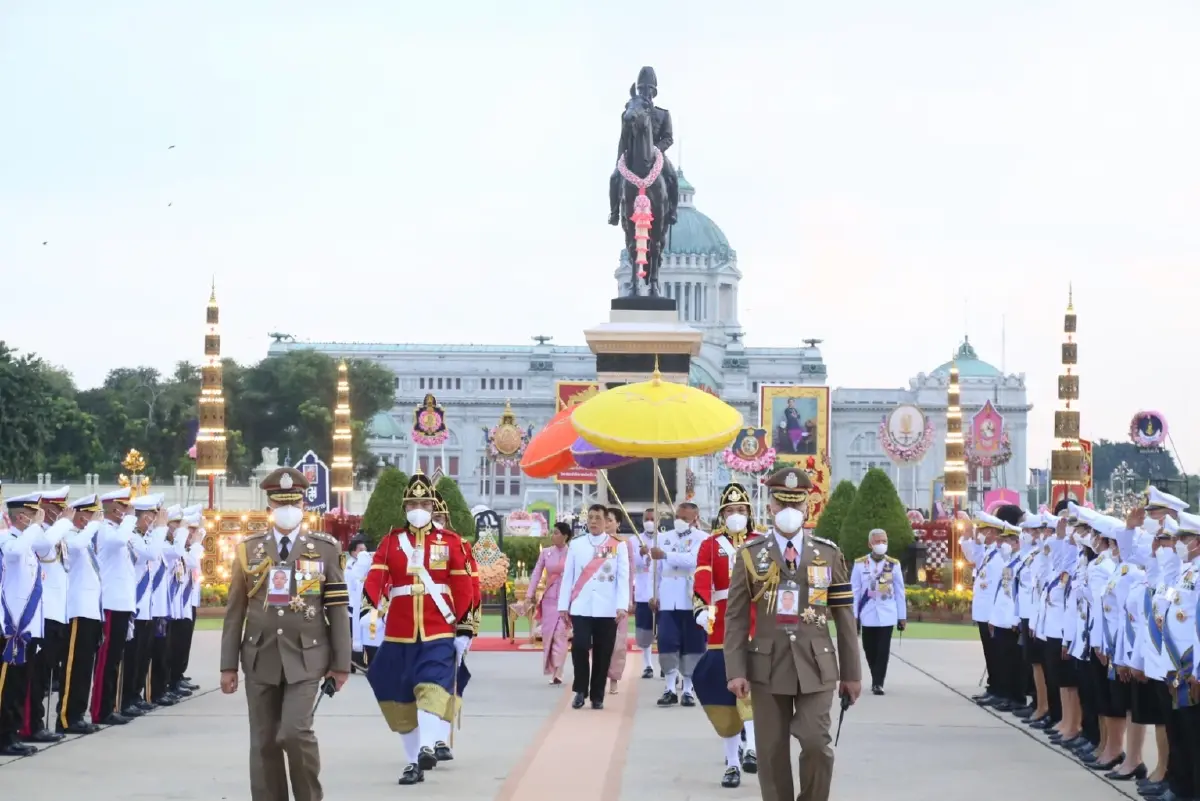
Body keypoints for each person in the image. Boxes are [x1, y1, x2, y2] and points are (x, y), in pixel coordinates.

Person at [724, 467, 860, 801]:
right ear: (769, 506)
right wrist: (736, 670)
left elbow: (844, 617)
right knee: (770, 752)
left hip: (817, 665)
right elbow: (736, 617)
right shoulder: (750, 555)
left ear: (807, 507)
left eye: (796, 504)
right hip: (767, 667)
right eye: (781, 503)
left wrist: (852, 674)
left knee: (816, 742)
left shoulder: (828, 554)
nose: (788, 511)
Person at [220, 466, 351, 801]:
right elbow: (235, 612)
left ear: (304, 507)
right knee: (263, 741)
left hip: (307, 657)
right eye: (280, 504)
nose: (287, 510)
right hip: (260, 655)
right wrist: (227, 665)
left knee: (294, 733)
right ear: (269, 509)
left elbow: (336, 608)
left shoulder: (324, 549)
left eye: (293, 503)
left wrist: (341, 663)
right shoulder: (248, 550)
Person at [362, 472, 473, 785]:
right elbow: (376, 577)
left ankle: (427, 745)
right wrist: (367, 609)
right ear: (405, 506)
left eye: (424, 502)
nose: (418, 507)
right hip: (398, 630)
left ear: (433, 504)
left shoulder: (451, 543)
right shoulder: (391, 542)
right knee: (396, 691)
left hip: (438, 629)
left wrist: (464, 627)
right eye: (413, 503)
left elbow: (464, 586)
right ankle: (413, 762)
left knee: (431, 684)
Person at [691, 482, 762, 788]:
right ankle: (732, 762)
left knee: (758, 691)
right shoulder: (710, 544)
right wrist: (700, 608)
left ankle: (753, 749)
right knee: (724, 694)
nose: (736, 515)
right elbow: (702, 578)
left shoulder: (763, 542)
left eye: (741, 510)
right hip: (721, 627)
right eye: (730, 510)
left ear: (749, 513)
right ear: (722, 514)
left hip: (759, 626)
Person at [1, 491, 66, 756]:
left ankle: (12, 733)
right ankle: (3, 737)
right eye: (32, 516)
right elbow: (15, 555)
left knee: (19, 684)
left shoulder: (27, 543)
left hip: (27, 628)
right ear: (20, 517)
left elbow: (45, 549)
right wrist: (37, 526)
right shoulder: (8, 539)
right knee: (7, 684)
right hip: (11, 627)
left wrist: (38, 527)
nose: (37, 521)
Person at [559, 503, 630, 711]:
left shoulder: (618, 545)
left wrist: (621, 606)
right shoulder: (577, 544)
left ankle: (597, 695)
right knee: (580, 647)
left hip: (607, 608)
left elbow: (622, 578)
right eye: (590, 517)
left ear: (606, 520)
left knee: (603, 652)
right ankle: (580, 689)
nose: (593, 521)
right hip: (581, 606)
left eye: (598, 518)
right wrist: (564, 605)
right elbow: (568, 577)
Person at [23, 487, 72, 743]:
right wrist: (63, 522)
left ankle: (36, 722)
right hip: (43, 615)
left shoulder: (58, 535)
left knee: (45, 674)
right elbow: (43, 546)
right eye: (59, 509)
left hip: (58, 614)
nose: (64, 514)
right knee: (36, 674)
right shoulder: (41, 534)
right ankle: (30, 724)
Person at [91, 487, 143, 726]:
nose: (127, 511)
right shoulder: (105, 530)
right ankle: (100, 710)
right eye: (124, 507)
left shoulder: (120, 531)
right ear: (114, 508)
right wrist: (132, 518)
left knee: (115, 659)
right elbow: (119, 541)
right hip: (111, 603)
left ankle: (109, 705)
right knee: (106, 659)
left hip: (122, 602)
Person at [1159, 507, 1200, 801]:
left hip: (1191, 664)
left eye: (1184, 538)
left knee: (1194, 734)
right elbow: (1169, 603)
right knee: (1179, 730)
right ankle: (1180, 786)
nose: (1178, 543)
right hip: (1175, 664)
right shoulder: (1186, 571)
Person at [57, 494, 105, 735]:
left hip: (90, 611)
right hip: (77, 610)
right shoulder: (71, 536)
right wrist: (94, 525)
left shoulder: (86, 542)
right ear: (81, 516)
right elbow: (74, 548)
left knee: (85, 666)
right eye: (92, 514)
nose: (97, 519)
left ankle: (77, 713)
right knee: (74, 666)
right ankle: (66, 716)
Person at [608, 65, 678, 227]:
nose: (645, 92)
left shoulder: (663, 114)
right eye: (641, 89)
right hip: (632, 156)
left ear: (653, 93)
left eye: (648, 90)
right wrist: (619, 161)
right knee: (614, 178)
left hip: (657, 157)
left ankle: (673, 211)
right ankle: (614, 213)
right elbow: (623, 138)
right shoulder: (629, 113)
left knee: (672, 177)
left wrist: (657, 150)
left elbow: (668, 138)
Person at [652, 501, 706, 706]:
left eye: (685, 518)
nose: (680, 521)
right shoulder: (664, 538)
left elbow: (692, 560)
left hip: (691, 599)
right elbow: (656, 571)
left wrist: (666, 555)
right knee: (667, 643)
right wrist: (654, 594)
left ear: (695, 518)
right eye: (678, 517)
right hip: (668, 599)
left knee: (692, 646)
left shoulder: (702, 539)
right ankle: (669, 688)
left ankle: (689, 690)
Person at [122, 493, 168, 717]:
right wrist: (160, 529)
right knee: (131, 657)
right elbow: (151, 554)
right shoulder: (132, 536)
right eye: (150, 516)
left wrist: (156, 531)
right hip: (135, 606)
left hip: (146, 607)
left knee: (142, 657)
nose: (153, 521)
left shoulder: (145, 536)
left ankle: (135, 695)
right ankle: (127, 697)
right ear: (139, 517)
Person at [850, 528, 907, 696]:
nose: (881, 544)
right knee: (869, 649)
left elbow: (899, 591)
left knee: (883, 649)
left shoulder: (893, 564)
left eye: (884, 541)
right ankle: (876, 675)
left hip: (887, 612)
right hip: (867, 612)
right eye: (877, 541)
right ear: (870, 544)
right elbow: (855, 591)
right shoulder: (860, 564)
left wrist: (902, 616)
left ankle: (878, 682)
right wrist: (854, 616)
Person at [959, 511, 1003, 706]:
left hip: (992, 613)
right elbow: (970, 553)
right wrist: (968, 534)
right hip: (985, 612)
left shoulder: (1000, 554)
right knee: (989, 653)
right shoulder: (988, 552)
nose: (980, 533)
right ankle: (993, 687)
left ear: (992, 532)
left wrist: (994, 615)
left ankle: (998, 689)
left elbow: (997, 589)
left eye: (983, 530)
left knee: (996, 654)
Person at [526, 522, 572, 685]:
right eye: (553, 532)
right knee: (549, 637)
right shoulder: (546, 553)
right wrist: (529, 594)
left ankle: (558, 671)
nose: (553, 536)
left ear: (565, 536)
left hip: (566, 601)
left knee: (561, 635)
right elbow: (536, 573)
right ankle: (552, 668)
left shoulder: (573, 553)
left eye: (557, 533)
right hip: (549, 600)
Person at [167, 506, 205, 698]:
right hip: (175, 605)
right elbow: (190, 561)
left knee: (183, 642)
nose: (191, 533)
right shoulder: (176, 547)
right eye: (188, 528)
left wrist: (198, 538)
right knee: (174, 644)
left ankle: (177, 675)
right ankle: (171, 680)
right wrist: (196, 542)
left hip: (186, 602)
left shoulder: (187, 546)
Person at [605, 507, 636, 694]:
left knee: (618, 643)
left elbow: (629, 573)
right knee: (599, 641)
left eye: (610, 520)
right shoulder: (595, 544)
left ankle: (614, 678)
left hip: (619, 600)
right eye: (604, 520)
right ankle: (599, 675)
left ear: (617, 523)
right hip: (600, 600)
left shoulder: (624, 544)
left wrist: (628, 600)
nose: (607, 524)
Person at [632, 508, 658, 678]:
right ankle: (648, 665)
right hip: (643, 593)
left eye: (652, 518)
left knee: (664, 631)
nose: (649, 521)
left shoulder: (665, 539)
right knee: (645, 632)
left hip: (660, 593)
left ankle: (666, 664)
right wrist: (641, 556)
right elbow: (631, 563)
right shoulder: (634, 540)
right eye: (647, 518)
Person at [346, 535, 369, 672]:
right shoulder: (348, 567)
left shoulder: (366, 565)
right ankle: (352, 660)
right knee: (351, 634)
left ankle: (361, 659)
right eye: (361, 550)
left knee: (363, 632)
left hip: (363, 604)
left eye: (365, 550)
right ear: (353, 552)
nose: (364, 553)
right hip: (351, 604)